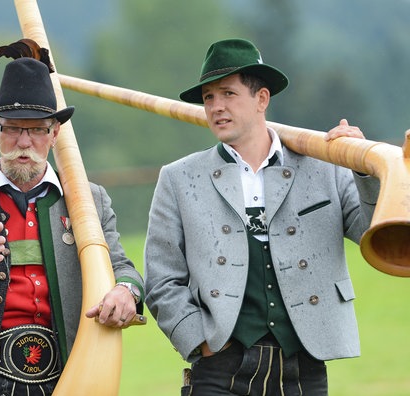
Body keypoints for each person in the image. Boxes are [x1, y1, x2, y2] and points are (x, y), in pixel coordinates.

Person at [143, 38, 381, 395]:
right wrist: (200, 340)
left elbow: (373, 235)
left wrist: (366, 168)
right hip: (220, 370)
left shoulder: (324, 167)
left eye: (228, 94)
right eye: (209, 97)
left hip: (305, 366)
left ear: (262, 99)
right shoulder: (179, 178)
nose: (216, 107)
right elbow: (162, 279)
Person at [0, 55, 144, 395]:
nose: (24, 142)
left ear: (54, 133)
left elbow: (122, 268)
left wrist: (127, 291)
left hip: (67, 379)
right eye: (12, 128)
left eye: (37, 129)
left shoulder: (89, 200)